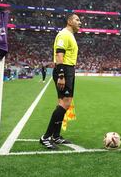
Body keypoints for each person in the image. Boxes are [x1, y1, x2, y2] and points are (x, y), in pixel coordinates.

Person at [40, 14, 81, 150]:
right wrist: (62, 74)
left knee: (64, 103)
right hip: (65, 70)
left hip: (68, 70)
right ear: (69, 21)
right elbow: (59, 54)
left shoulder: (70, 35)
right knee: (65, 103)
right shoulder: (64, 34)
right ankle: (46, 137)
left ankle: (56, 136)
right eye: (77, 19)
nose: (79, 22)